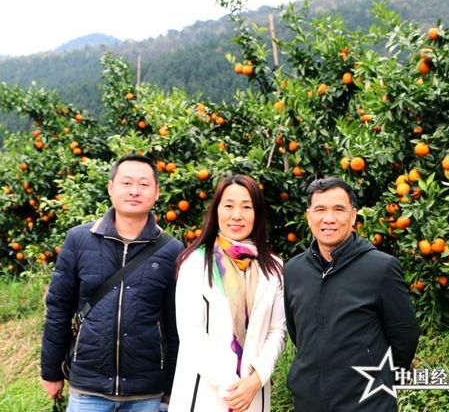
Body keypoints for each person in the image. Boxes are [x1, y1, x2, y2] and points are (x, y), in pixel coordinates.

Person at [40, 154, 184, 411]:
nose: (134, 191)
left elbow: (176, 326)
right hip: (88, 388)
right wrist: (51, 372)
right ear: (110, 188)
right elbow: (59, 309)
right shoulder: (79, 240)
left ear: (157, 192)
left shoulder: (172, 250)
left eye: (143, 184)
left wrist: (172, 388)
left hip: (146, 392)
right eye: (126, 183)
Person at [284, 176, 420, 411]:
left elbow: (405, 337)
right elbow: (298, 334)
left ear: (353, 215)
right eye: (320, 210)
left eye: (339, 209)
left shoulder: (380, 268)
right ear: (309, 216)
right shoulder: (294, 271)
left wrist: (381, 381)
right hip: (308, 403)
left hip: (367, 403)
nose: (329, 218)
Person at [169, 175, 286, 412]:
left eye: (246, 207)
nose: (237, 215)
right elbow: (191, 333)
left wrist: (256, 380)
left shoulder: (273, 268)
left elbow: (277, 331)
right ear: (216, 210)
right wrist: (231, 386)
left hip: (253, 394)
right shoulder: (195, 262)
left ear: (257, 214)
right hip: (203, 394)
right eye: (229, 205)